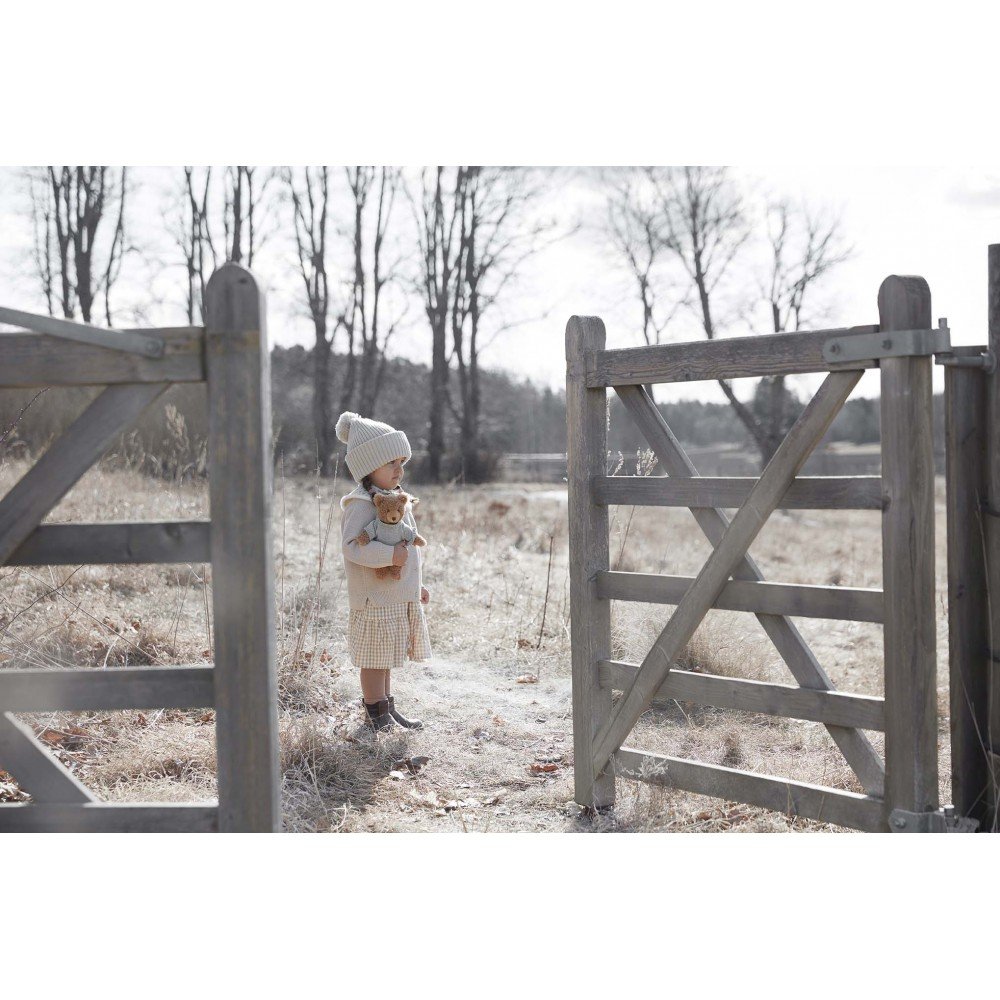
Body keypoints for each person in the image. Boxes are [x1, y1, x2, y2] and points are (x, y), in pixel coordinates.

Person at [337, 410, 432, 732]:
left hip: (394, 595)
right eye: (391, 462)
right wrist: (389, 554)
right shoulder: (361, 504)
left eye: (401, 462)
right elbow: (352, 547)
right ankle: (375, 714)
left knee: (387, 655)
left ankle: (387, 708)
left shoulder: (394, 500)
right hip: (373, 598)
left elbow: (408, 545)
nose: (399, 469)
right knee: (374, 659)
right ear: (368, 467)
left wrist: (415, 586)